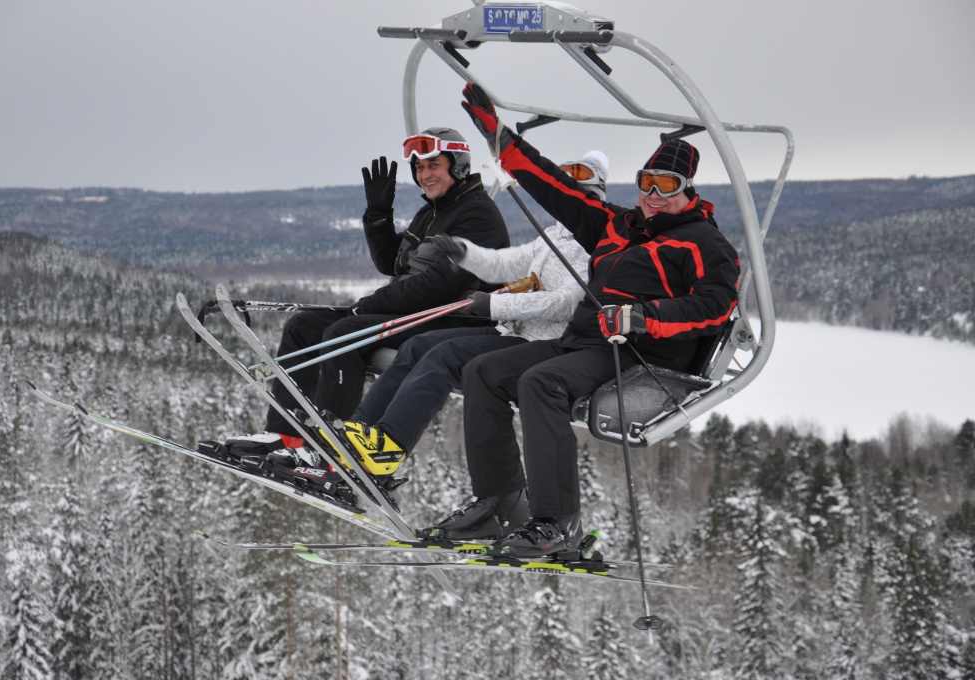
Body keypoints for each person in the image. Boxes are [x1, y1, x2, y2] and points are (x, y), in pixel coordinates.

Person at [422, 83, 740, 557]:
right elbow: (554, 187)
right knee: (482, 372)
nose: (653, 195)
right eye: (646, 181)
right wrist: (499, 139)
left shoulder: (704, 243)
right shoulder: (615, 226)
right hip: (586, 343)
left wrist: (641, 317)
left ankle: (555, 523)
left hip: (640, 355)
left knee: (541, 382)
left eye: (667, 186)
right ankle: (501, 504)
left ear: (688, 191)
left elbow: (716, 306)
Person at [337, 151, 608, 539]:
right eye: (561, 180)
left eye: (576, 180)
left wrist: (494, 303)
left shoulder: (592, 240)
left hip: (544, 340)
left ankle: (388, 446)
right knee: (421, 345)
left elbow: (568, 301)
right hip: (516, 329)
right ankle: (362, 432)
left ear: (593, 189)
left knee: (446, 356)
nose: (565, 188)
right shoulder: (556, 234)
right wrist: (465, 253)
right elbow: (508, 263)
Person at [219, 127, 510, 477]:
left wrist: (369, 305)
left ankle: (333, 447)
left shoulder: (477, 215)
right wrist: (378, 215)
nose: (424, 175)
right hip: (420, 311)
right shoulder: (435, 211)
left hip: (456, 319)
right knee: (304, 326)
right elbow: (393, 263)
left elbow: (439, 285)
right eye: (419, 168)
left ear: (458, 165)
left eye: (433, 165)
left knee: (345, 333)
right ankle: (287, 435)